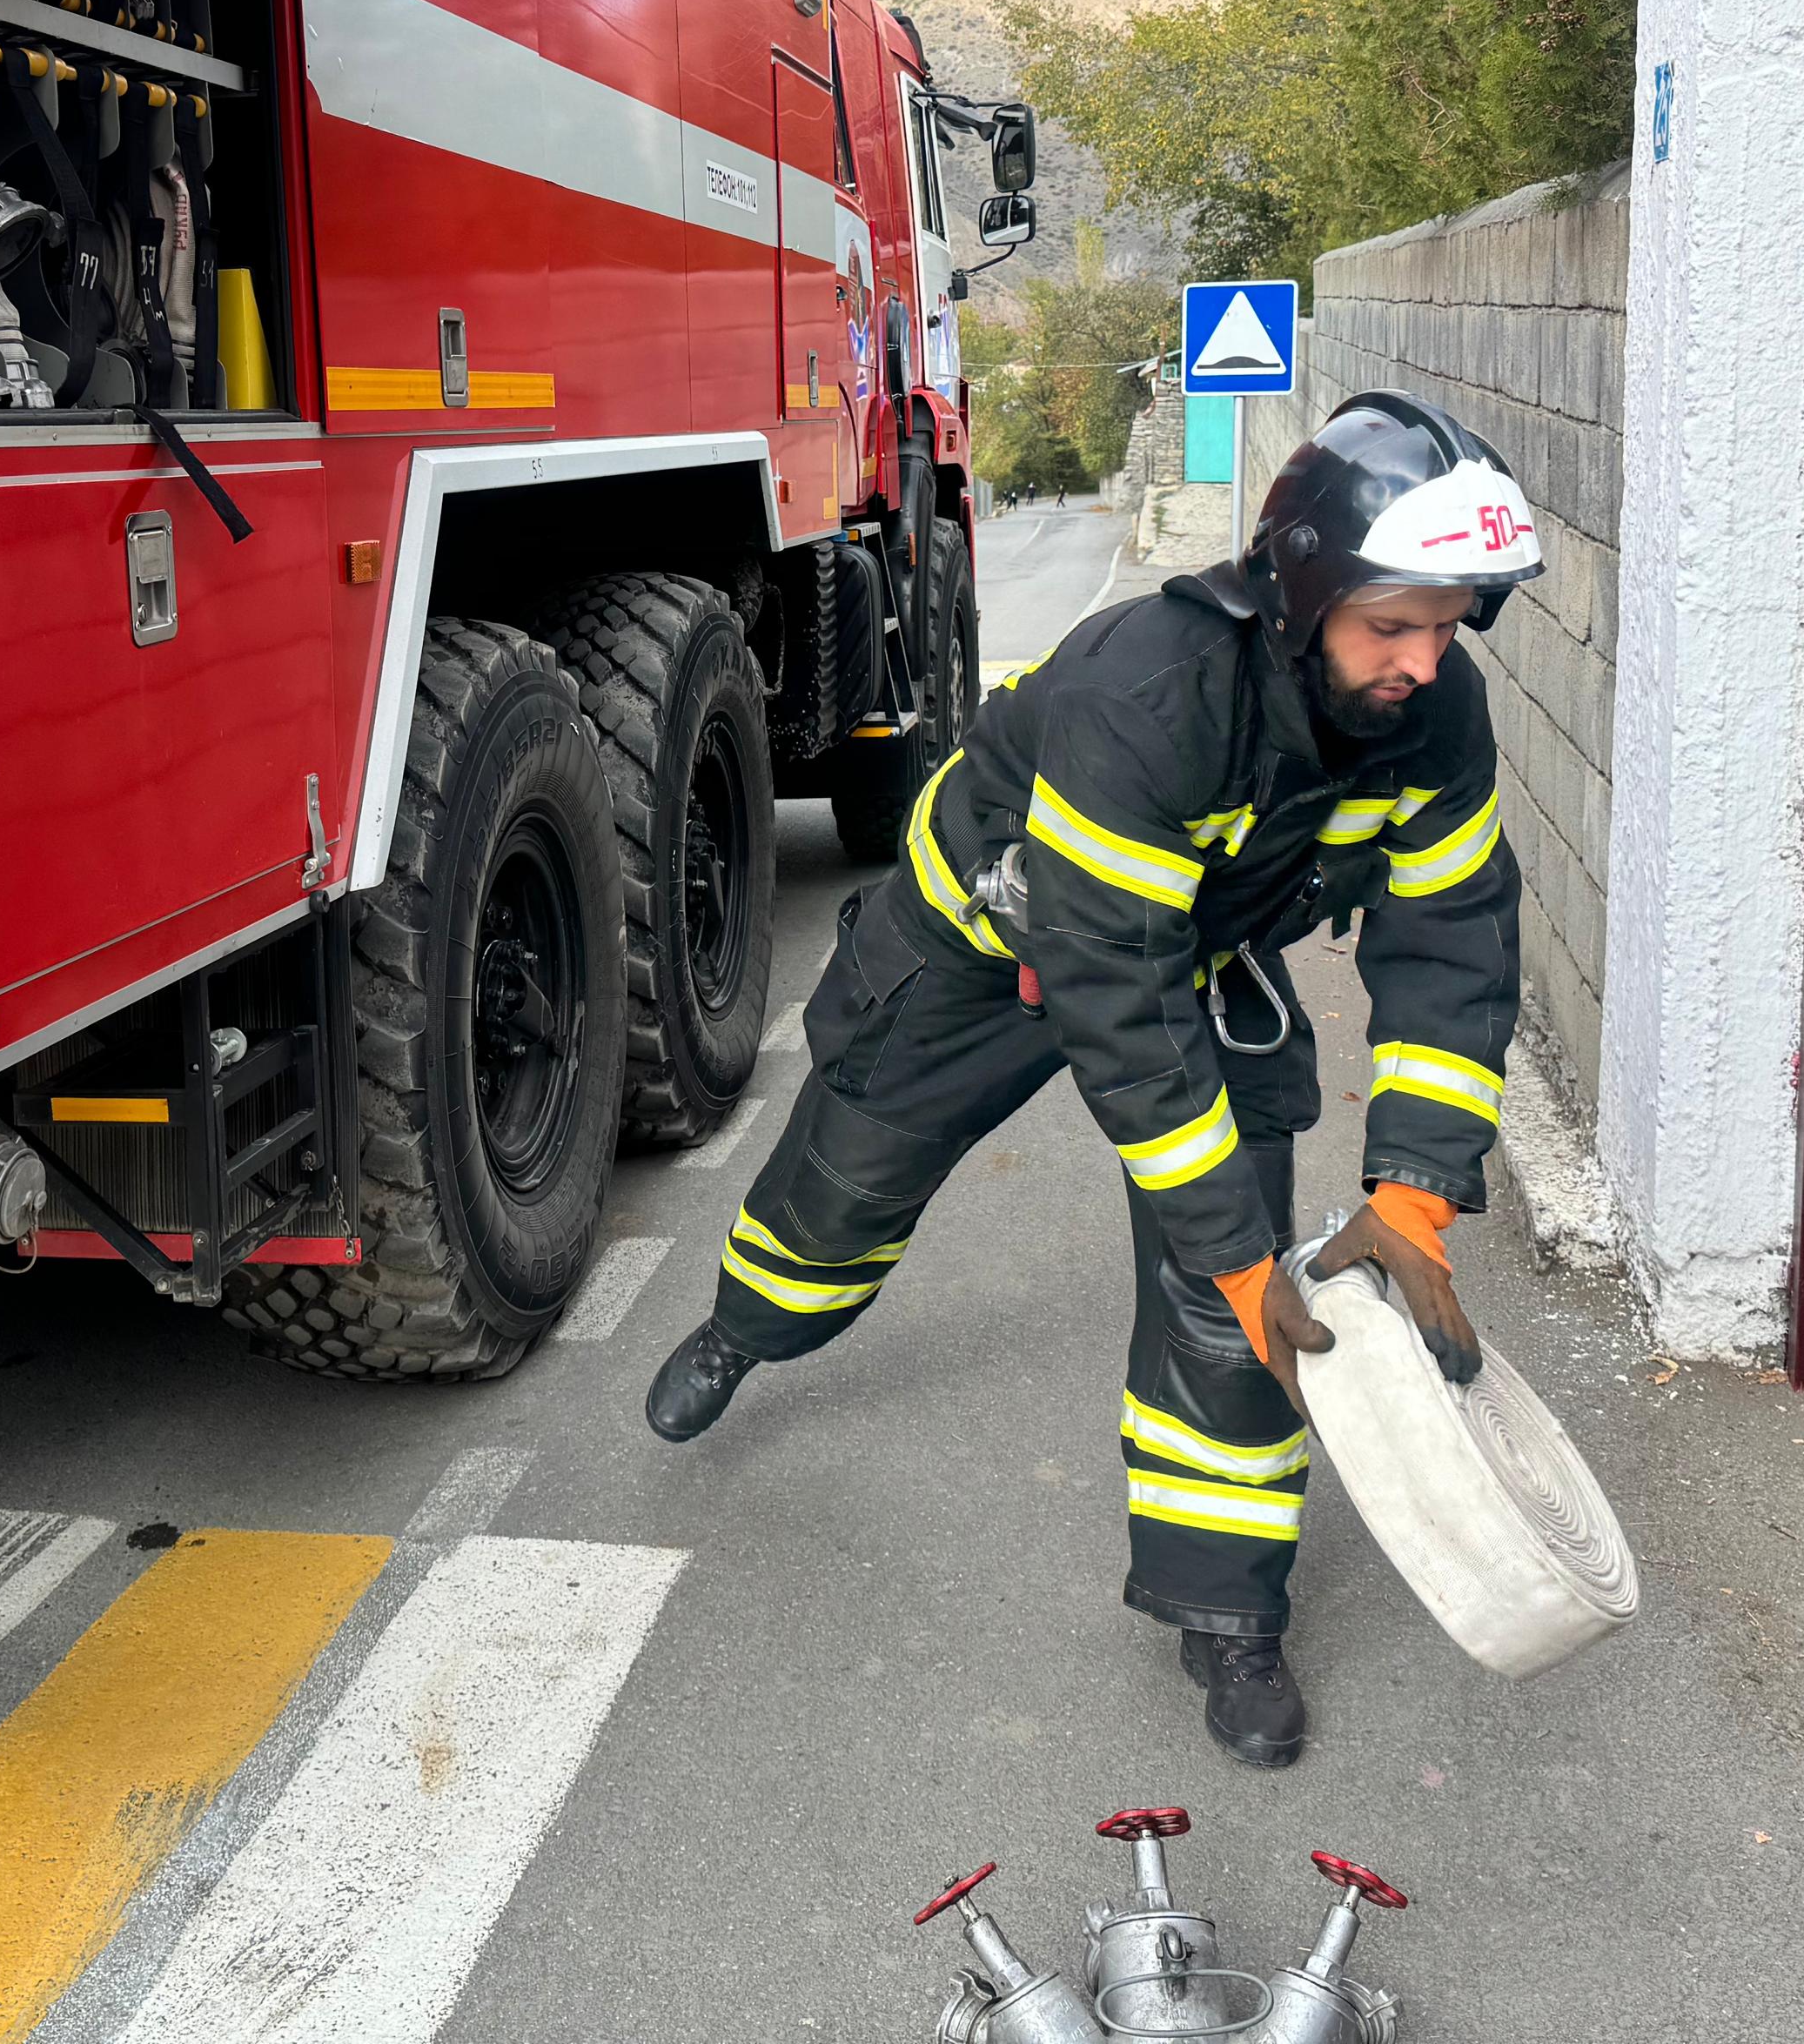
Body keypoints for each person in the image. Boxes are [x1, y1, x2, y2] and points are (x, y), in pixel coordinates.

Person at [644, 391, 1539, 1767]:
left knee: (1244, 1315)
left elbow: (1453, 943)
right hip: (982, 947)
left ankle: (1229, 1613)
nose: (1425, 660)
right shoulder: (1154, 689)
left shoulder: (1434, 720)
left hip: (1189, 956)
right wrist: (1237, 1242)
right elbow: (1111, 994)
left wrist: (1412, 1192)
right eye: (1393, 625)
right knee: (846, 1182)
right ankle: (745, 1331)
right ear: (1306, 595)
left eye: (1448, 623)